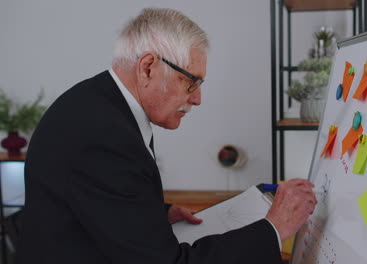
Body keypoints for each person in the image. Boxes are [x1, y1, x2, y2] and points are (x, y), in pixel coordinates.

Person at [17, 8, 317, 264]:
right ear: (148, 68)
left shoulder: (98, 103)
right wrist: (274, 228)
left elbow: (98, 196)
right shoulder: (104, 136)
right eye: (191, 83)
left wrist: (157, 213)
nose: (198, 98)